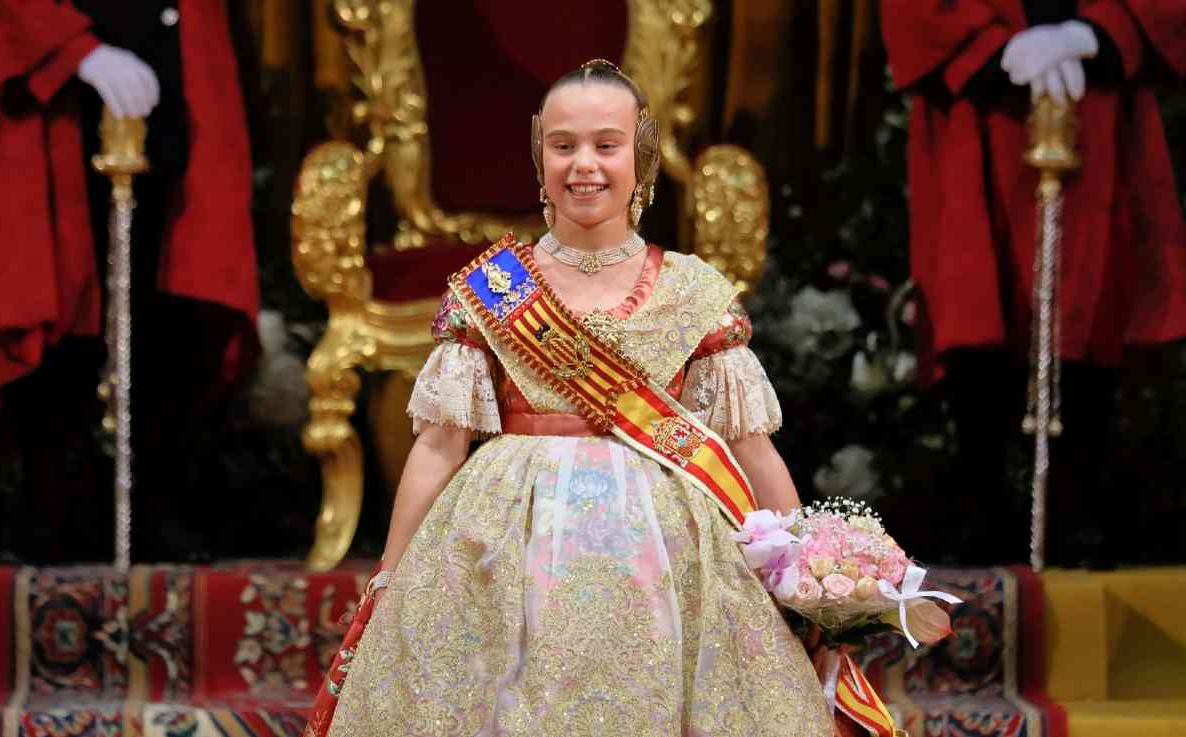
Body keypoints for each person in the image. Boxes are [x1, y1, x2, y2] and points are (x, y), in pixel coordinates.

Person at [305, 61, 833, 736]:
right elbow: (439, 446)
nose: (584, 164)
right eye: (564, 145)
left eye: (606, 144)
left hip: (669, 556)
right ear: (540, 154)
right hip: (507, 538)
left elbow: (750, 450)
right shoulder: (495, 288)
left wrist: (806, 576)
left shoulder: (694, 292)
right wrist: (392, 573)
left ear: (641, 155)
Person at [880, 1, 1186, 566]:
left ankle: (1078, 518)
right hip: (982, 112)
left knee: (1091, 301)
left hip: (1098, 105)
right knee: (979, 305)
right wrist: (993, 51)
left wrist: (1097, 35)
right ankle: (985, 523)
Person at [0, 0, 258, 561]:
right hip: (59, 91)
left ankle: (156, 506)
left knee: (173, 293)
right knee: (60, 291)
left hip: (167, 64)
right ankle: (52, 503)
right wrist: (72, 51)